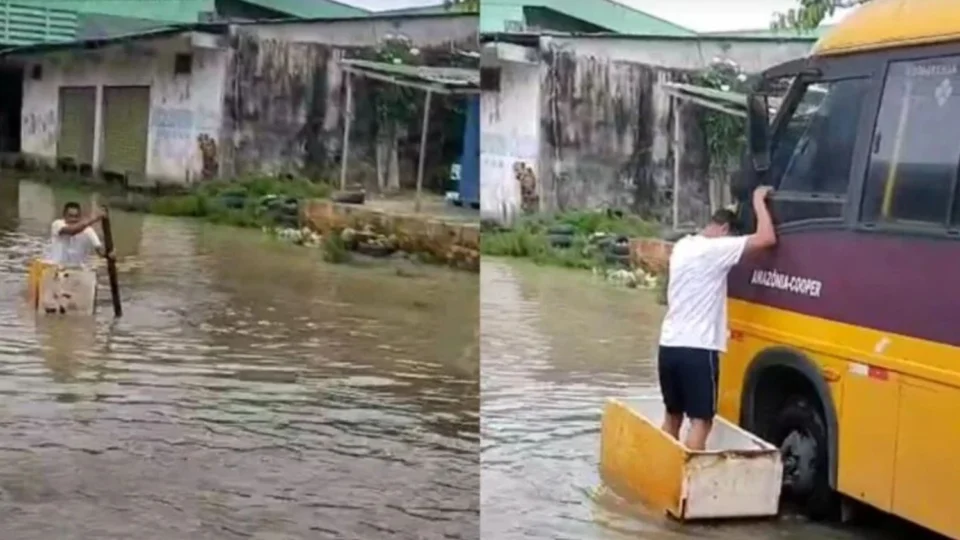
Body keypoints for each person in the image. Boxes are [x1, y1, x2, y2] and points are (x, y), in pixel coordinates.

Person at [657, 185, 777, 451]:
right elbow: (766, 238)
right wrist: (758, 199)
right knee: (702, 421)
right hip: (697, 349)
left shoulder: (682, 246)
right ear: (724, 231)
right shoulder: (715, 250)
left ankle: (663, 477)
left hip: (668, 346)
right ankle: (687, 485)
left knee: (673, 417)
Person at [45, 202, 112, 267]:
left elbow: (100, 252)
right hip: (56, 267)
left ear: (80, 216)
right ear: (64, 215)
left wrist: (108, 254)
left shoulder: (88, 230)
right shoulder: (57, 224)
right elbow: (72, 231)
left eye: (76, 216)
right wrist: (96, 217)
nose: (73, 219)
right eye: (70, 216)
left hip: (77, 269)